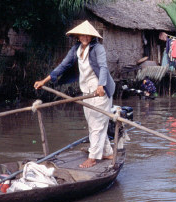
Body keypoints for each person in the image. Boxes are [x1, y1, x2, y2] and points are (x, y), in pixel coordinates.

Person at [34, 20, 116, 169]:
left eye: (87, 35)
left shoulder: (98, 49)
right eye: (82, 35)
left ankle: (93, 158)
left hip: (101, 91)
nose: (84, 37)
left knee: (97, 124)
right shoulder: (76, 49)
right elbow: (63, 66)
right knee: (94, 123)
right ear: (78, 36)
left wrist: (101, 85)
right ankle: (107, 152)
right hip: (87, 91)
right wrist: (44, 81)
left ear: (92, 37)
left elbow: (103, 67)